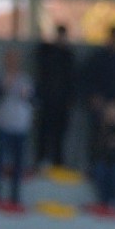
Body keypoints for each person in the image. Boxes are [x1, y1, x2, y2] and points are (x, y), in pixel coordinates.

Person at [79, 26, 115, 167]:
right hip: (102, 105)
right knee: (99, 136)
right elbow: (87, 79)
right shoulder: (98, 58)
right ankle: (96, 166)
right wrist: (94, 96)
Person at [0, 47, 35, 208]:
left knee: (18, 163)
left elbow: (34, 101)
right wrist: (3, 88)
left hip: (20, 126)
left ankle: (15, 197)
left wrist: (26, 95)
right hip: (2, 125)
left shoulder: (26, 79)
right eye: (9, 59)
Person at [31, 23, 78, 168]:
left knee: (60, 135)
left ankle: (58, 163)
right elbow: (41, 61)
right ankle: (41, 161)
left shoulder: (68, 56)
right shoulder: (47, 52)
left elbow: (72, 79)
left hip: (62, 102)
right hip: (47, 101)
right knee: (44, 133)